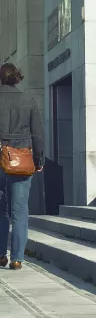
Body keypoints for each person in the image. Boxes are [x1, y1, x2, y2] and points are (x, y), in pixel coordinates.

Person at [0, 63, 44, 270]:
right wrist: (39, 160)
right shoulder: (28, 100)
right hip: (21, 159)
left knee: (0, 209)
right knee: (19, 210)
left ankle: (1, 255)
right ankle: (17, 258)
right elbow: (38, 134)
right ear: (17, 78)